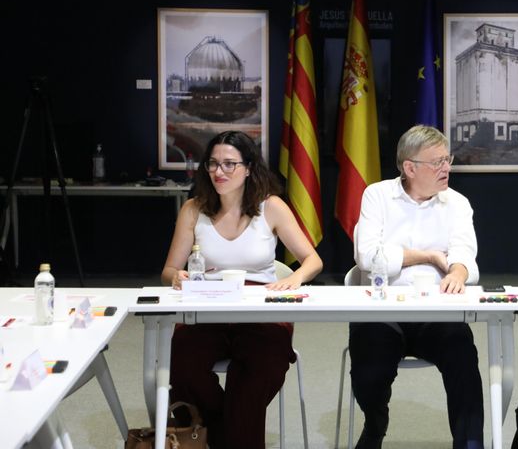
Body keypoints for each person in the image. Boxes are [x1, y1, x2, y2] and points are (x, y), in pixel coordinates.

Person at [160, 130, 322, 449]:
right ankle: (230, 434)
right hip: (208, 306)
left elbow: (313, 260)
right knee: (182, 366)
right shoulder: (193, 209)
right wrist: (177, 276)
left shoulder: (271, 207)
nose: (219, 171)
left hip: (260, 308)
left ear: (248, 168)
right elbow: (168, 270)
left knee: (261, 369)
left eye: (229, 164)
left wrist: (296, 278)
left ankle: (219, 438)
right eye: (213, 163)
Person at [350, 125, 483, 449]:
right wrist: (429, 256)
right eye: (437, 162)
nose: (446, 168)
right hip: (383, 310)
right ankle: (375, 424)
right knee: (369, 369)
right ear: (410, 168)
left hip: (436, 311)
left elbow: (465, 253)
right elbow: (368, 257)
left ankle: (469, 443)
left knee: (463, 356)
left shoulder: (457, 203)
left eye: (447, 160)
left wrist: (457, 272)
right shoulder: (378, 196)